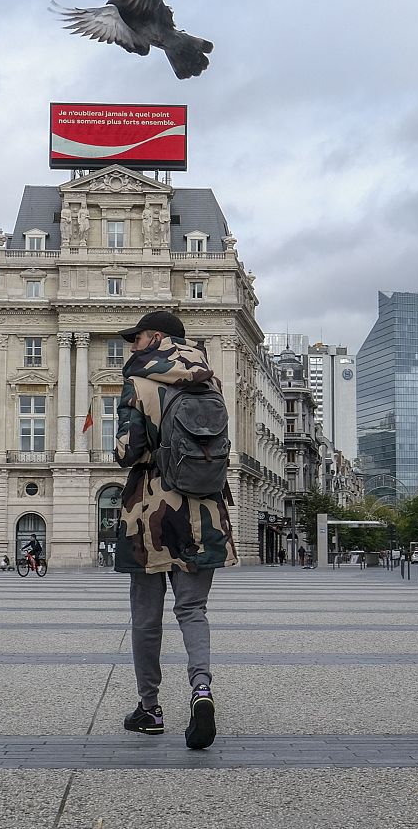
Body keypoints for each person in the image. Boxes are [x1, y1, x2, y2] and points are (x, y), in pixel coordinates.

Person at [113, 310, 236, 751]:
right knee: (193, 610)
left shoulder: (139, 381)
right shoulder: (210, 380)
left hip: (151, 512)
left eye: (137, 337)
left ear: (156, 337)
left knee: (147, 619)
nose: (132, 345)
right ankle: (201, 689)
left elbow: (128, 452)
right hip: (204, 511)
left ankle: (150, 709)